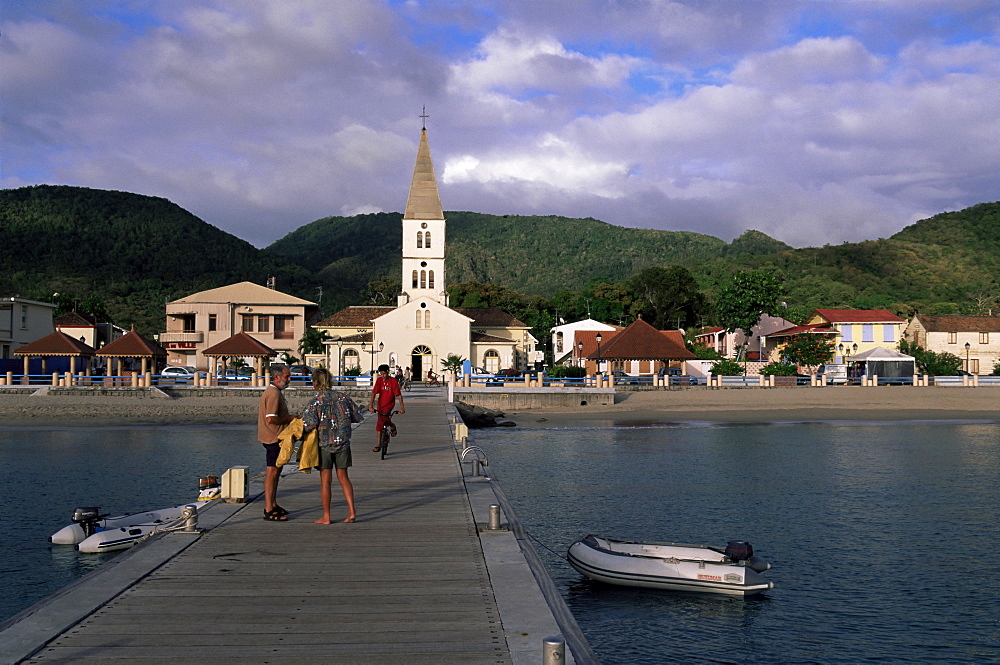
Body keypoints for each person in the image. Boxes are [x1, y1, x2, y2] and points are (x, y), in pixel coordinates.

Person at [301, 367, 363, 524]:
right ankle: (351, 511)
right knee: (343, 477)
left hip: (324, 444)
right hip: (342, 443)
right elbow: (357, 416)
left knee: (325, 480)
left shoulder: (315, 402)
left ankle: (326, 516)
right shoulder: (343, 398)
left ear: (315, 383)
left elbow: (309, 425)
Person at [258, 364, 293, 521]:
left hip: (276, 437)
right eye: (286, 377)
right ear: (277, 377)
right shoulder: (273, 394)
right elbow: (271, 419)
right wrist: (290, 419)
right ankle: (268, 508)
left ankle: (273, 503)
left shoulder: (275, 392)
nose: (289, 380)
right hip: (273, 437)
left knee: (277, 471)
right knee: (272, 472)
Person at [369, 363, 404, 453]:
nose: (382, 376)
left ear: (388, 372)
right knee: (380, 423)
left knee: (383, 420)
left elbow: (398, 395)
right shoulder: (379, 381)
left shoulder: (393, 381)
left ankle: (391, 427)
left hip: (389, 404)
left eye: (384, 373)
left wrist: (402, 408)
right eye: (381, 374)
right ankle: (379, 443)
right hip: (380, 404)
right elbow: (374, 393)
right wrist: (371, 406)